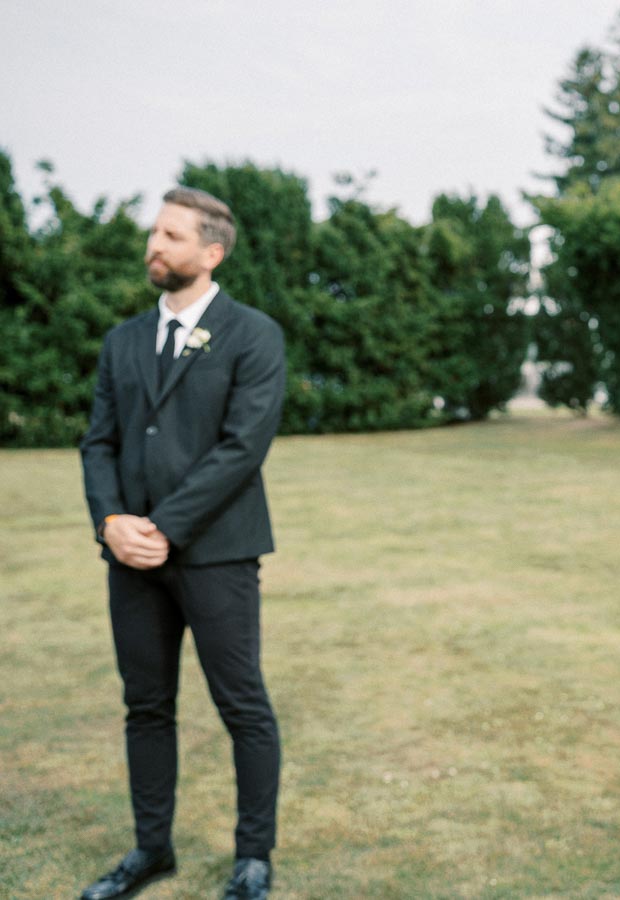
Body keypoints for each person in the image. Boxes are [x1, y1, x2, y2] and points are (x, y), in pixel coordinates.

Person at [79, 186, 286, 900]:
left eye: (171, 235)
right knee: (146, 706)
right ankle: (150, 850)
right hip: (129, 559)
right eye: (153, 233)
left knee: (243, 706)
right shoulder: (123, 342)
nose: (154, 246)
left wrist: (162, 528)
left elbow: (241, 449)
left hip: (218, 555)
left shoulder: (253, 334)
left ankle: (252, 858)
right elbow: (98, 443)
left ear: (211, 251)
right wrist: (111, 523)